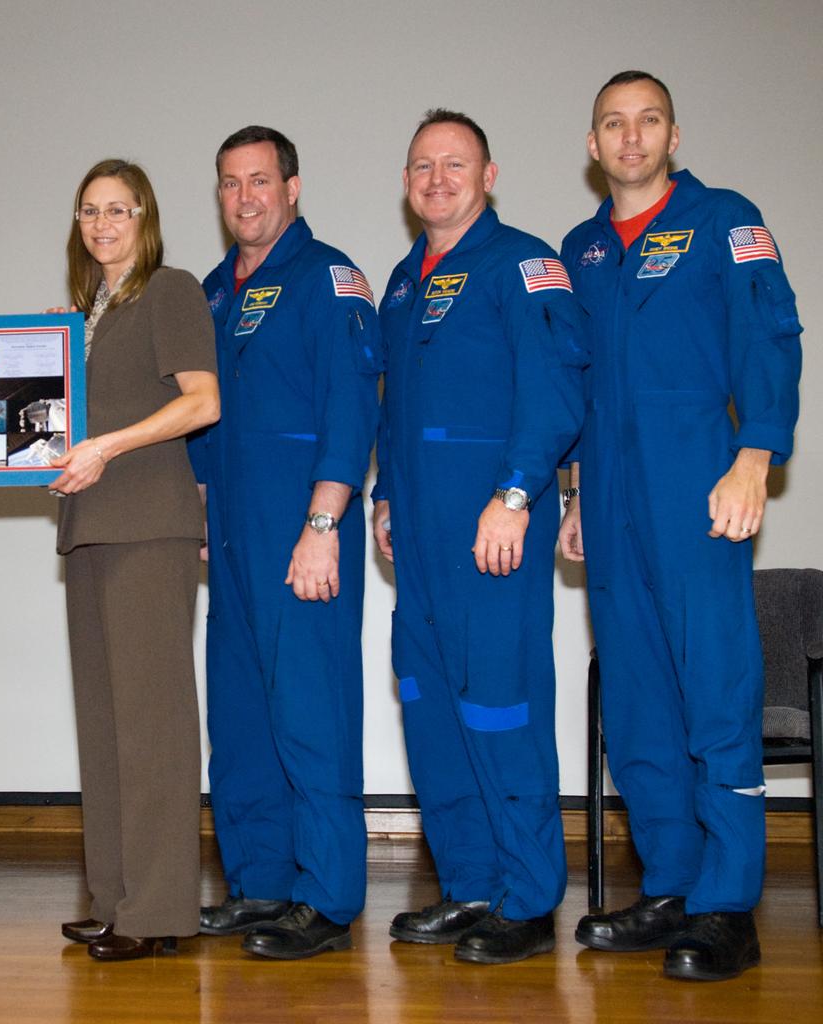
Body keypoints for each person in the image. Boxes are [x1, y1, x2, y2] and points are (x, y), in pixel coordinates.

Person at [559, 71, 802, 982]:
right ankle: (670, 885)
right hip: (613, 504)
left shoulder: (723, 220)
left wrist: (755, 456)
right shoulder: (582, 251)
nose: (630, 137)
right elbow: (578, 386)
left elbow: (771, 338)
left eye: (647, 120)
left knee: (715, 691)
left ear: (674, 133)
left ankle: (728, 902)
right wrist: (577, 491)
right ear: (592, 144)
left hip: (701, 493)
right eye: (613, 124)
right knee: (637, 703)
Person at [372, 110, 588, 965]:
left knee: (499, 704)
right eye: (422, 165)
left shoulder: (524, 264)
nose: (437, 178)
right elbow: (397, 406)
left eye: (454, 164)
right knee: (428, 704)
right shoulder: (401, 280)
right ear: (406, 181)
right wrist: (386, 495)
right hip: (418, 535)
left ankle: (528, 898)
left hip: (492, 525)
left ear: (488, 175)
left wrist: (515, 493)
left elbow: (556, 393)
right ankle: (467, 885)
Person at [191, 126, 380, 960]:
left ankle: (327, 897)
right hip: (229, 538)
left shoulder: (326, 279)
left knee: (311, 711)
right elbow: (200, 421)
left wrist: (325, 523)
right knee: (239, 716)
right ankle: (260, 881)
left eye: (260, 181)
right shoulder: (212, 292)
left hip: (301, 531)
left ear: (292, 189)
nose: (245, 198)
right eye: (230, 183)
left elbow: (352, 407)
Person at [50, 159, 220, 961]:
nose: (103, 224)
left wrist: (107, 445)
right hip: (89, 526)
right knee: (106, 723)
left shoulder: (171, 288)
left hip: (148, 525)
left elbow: (202, 400)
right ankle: (115, 896)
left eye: (119, 209)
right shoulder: (88, 312)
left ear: (146, 217)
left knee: (152, 724)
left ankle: (158, 912)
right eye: (90, 210)